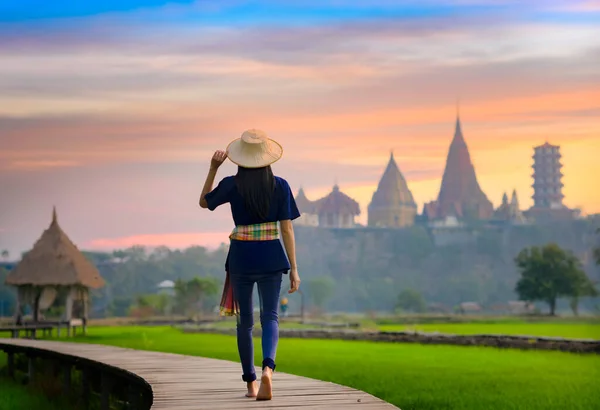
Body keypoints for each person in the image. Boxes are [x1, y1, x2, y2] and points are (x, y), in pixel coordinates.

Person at [198, 129, 301, 401]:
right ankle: (268, 367)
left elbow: (203, 202)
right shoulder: (281, 185)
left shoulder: (232, 184)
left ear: (240, 158)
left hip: (242, 258)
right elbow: (287, 230)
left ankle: (251, 385)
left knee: (244, 323)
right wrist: (294, 269)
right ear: (267, 157)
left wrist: (212, 168)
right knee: (270, 317)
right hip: (271, 256)